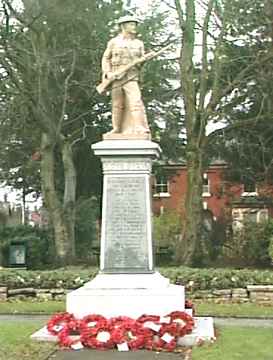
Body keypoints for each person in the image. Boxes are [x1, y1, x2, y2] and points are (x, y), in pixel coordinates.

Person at [101, 15, 150, 137]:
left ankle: (140, 128)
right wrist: (107, 73)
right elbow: (105, 58)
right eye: (131, 24)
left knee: (136, 101)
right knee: (117, 104)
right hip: (116, 76)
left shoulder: (139, 43)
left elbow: (141, 63)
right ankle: (116, 128)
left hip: (131, 77)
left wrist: (142, 61)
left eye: (135, 24)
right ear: (123, 26)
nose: (134, 27)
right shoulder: (114, 42)